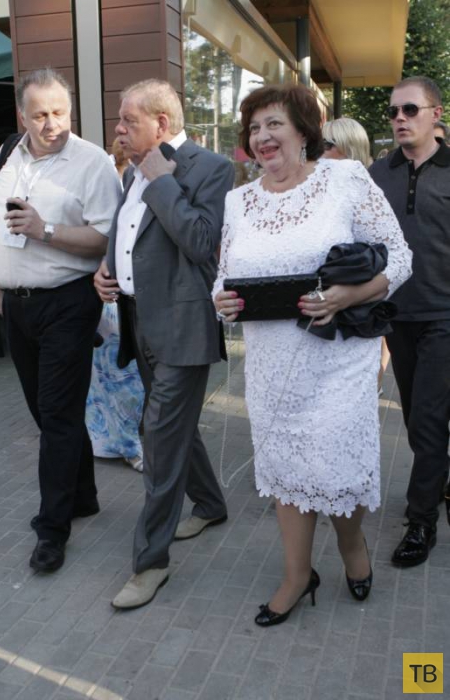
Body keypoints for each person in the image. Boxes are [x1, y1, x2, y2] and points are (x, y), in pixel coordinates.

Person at [214, 84, 411, 626]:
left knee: (336, 469)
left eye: (273, 124)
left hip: (338, 359)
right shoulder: (238, 201)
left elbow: (400, 257)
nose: (262, 136)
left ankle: (351, 546)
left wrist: (348, 295)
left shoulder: (344, 179)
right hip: (271, 362)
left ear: (303, 130)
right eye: (254, 128)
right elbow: (223, 277)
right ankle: (298, 575)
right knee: (284, 470)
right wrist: (221, 302)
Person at [94, 79, 234, 609]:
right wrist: (108, 268)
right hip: (139, 322)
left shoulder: (210, 167)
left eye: (128, 120)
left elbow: (200, 242)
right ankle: (211, 504)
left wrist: (159, 180)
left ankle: (150, 563)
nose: (118, 129)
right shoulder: (132, 169)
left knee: (157, 438)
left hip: (184, 327)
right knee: (175, 429)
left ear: (161, 123)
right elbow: (129, 234)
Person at [0, 68, 121, 573]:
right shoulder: (5, 155)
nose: (52, 124)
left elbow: (106, 239)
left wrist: (45, 230)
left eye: (60, 112)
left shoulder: (92, 162)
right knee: (48, 414)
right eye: (40, 114)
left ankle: (53, 529)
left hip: (67, 302)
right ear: (22, 116)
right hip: (17, 306)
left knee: (58, 416)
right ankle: (82, 495)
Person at [370, 76, 450, 567]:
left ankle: (421, 522)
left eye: (410, 110)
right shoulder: (378, 174)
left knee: (427, 419)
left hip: (445, 316)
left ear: (436, 114)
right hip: (398, 315)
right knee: (418, 416)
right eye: (394, 111)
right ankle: (435, 484)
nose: (400, 118)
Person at [321, 117, 390, 393]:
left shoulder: (370, 194)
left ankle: (376, 382)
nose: (319, 151)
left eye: (327, 144)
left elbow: (392, 258)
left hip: (358, 316)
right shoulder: (315, 190)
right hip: (320, 316)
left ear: (348, 148)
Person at [86, 302, 145, 471]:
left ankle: (127, 443)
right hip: (102, 307)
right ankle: (122, 445)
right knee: (103, 380)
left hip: (130, 305)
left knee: (128, 381)